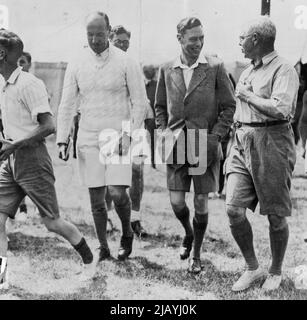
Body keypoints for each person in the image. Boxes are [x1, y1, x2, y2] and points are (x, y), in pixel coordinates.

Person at [0, 29, 93, 290]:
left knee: (52, 222)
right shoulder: (2, 84)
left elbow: (48, 126)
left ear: (1, 53)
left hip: (33, 159)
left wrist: (14, 145)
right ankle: (1, 280)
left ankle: (90, 260)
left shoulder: (30, 84)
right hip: (11, 162)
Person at [56, 12, 149, 261]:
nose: (95, 39)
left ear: (108, 32)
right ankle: (102, 246)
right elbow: (67, 103)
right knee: (96, 198)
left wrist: (129, 135)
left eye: (99, 33)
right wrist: (63, 138)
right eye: (90, 34)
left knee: (118, 193)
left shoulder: (126, 61)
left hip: (118, 135)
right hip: (88, 135)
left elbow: (140, 102)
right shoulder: (76, 62)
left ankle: (127, 232)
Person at [155, 17, 235, 274]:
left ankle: (197, 255)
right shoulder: (167, 68)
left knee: (201, 203)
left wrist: (215, 138)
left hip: (204, 145)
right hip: (176, 144)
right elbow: (159, 106)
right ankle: (188, 233)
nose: (199, 43)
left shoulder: (215, 67)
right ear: (179, 38)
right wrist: (162, 131)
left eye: (202, 38)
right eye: (193, 39)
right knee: (177, 203)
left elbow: (229, 106)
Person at [225, 16, 299, 292]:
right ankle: (252, 268)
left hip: (272, 142)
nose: (240, 42)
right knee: (233, 208)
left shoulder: (284, 69)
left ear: (256, 39)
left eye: (243, 37)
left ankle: (276, 271)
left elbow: (282, 109)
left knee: (275, 214)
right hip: (242, 141)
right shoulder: (247, 71)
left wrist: (247, 97)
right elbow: (240, 105)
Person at [107, 24, 153, 237]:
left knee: (137, 171)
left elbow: (142, 101)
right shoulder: (104, 64)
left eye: (126, 42)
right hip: (111, 125)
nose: (123, 45)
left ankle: (135, 217)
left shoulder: (134, 65)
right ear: (110, 39)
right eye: (119, 41)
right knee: (109, 173)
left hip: (134, 124)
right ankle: (107, 215)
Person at [17, 51, 32, 215]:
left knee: (26, 175)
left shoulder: (34, 84)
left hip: (28, 136)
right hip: (10, 135)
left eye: (23, 62)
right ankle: (20, 207)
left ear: (29, 64)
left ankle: (24, 207)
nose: (19, 66)